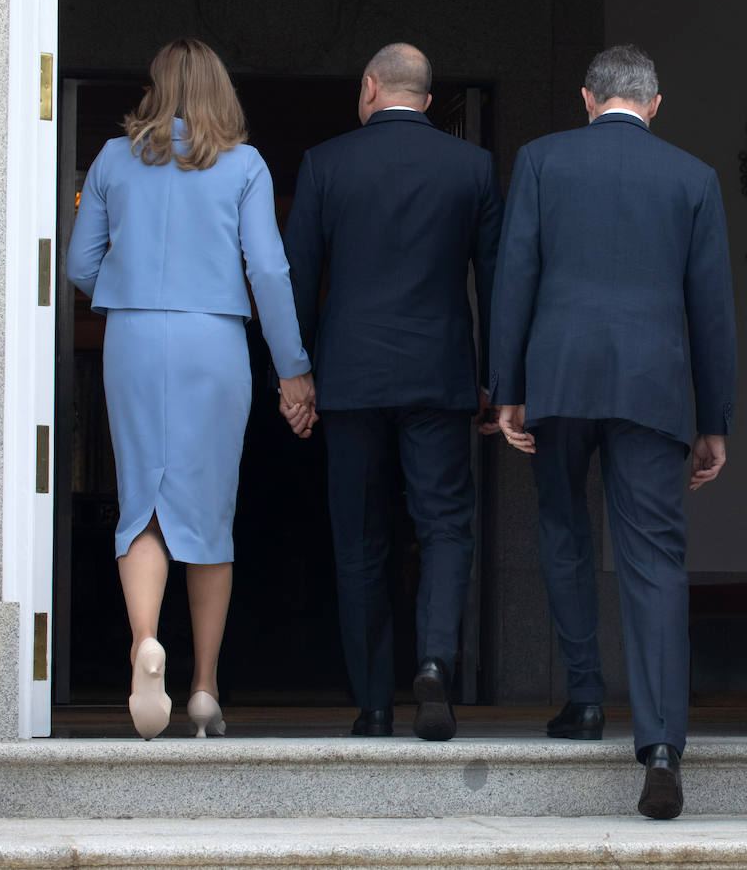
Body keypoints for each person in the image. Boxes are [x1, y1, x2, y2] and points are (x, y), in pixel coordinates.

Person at [490, 44, 737, 819]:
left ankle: (585, 702)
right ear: (655, 105)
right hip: (654, 388)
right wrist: (715, 420)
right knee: (656, 560)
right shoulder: (692, 179)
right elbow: (712, 309)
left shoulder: (539, 160)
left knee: (563, 529)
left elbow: (515, 274)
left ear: (589, 98)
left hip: (559, 379)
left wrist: (508, 389)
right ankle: (661, 744)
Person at [67, 38, 316, 740]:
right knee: (209, 515)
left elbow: (81, 263)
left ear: (155, 87)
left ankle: (145, 644)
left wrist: (129, 286)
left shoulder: (114, 159)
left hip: (136, 338)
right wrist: (292, 369)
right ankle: (204, 687)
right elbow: (268, 271)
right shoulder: (245, 164)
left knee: (141, 501)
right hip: (215, 340)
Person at [282, 43, 502, 742]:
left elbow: (298, 277)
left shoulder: (326, 163)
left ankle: (373, 701)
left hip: (348, 379)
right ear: (429, 100)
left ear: (370, 87)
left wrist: (298, 375)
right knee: (443, 528)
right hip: (439, 376)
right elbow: (495, 282)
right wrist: (499, 379)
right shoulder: (471, 166)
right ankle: (434, 662)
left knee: (361, 539)